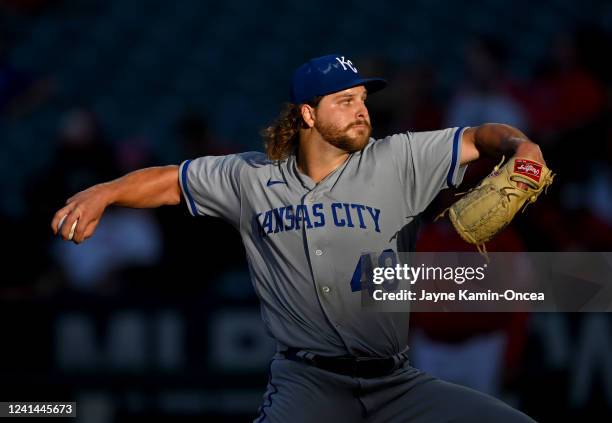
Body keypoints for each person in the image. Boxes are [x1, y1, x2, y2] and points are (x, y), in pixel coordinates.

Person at [52, 54, 543, 422]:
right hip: (308, 384)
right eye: (345, 101)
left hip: (397, 383)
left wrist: (525, 149)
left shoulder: (399, 159)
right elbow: (168, 181)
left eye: (363, 100)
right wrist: (105, 192)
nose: (361, 111)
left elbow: (482, 137)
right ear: (308, 114)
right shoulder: (251, 177)